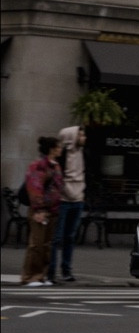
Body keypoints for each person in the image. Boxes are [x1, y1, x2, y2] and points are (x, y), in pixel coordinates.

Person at [20, 138, 64, 287]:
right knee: (36, 245)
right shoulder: (38, 165)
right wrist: (39, 209)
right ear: (52, 149)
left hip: (52, 210)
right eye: (59, 147)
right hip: (40, 210)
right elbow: (34, 188)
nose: (61, 149)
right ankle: (29, 276)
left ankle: (41, 276)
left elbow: (58, 187)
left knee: (46, 245)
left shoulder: (56, 166)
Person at [51, 122, 87, 284]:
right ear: (72, 137)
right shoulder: (62, 155)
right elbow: (57, 178)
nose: (83, 138)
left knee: (70, 237)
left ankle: (66, 270)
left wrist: (81, 193)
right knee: (57, 237)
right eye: (80, 135)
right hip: (63, 200)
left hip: (78, 199)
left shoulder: (82, 153)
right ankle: (51, 271)